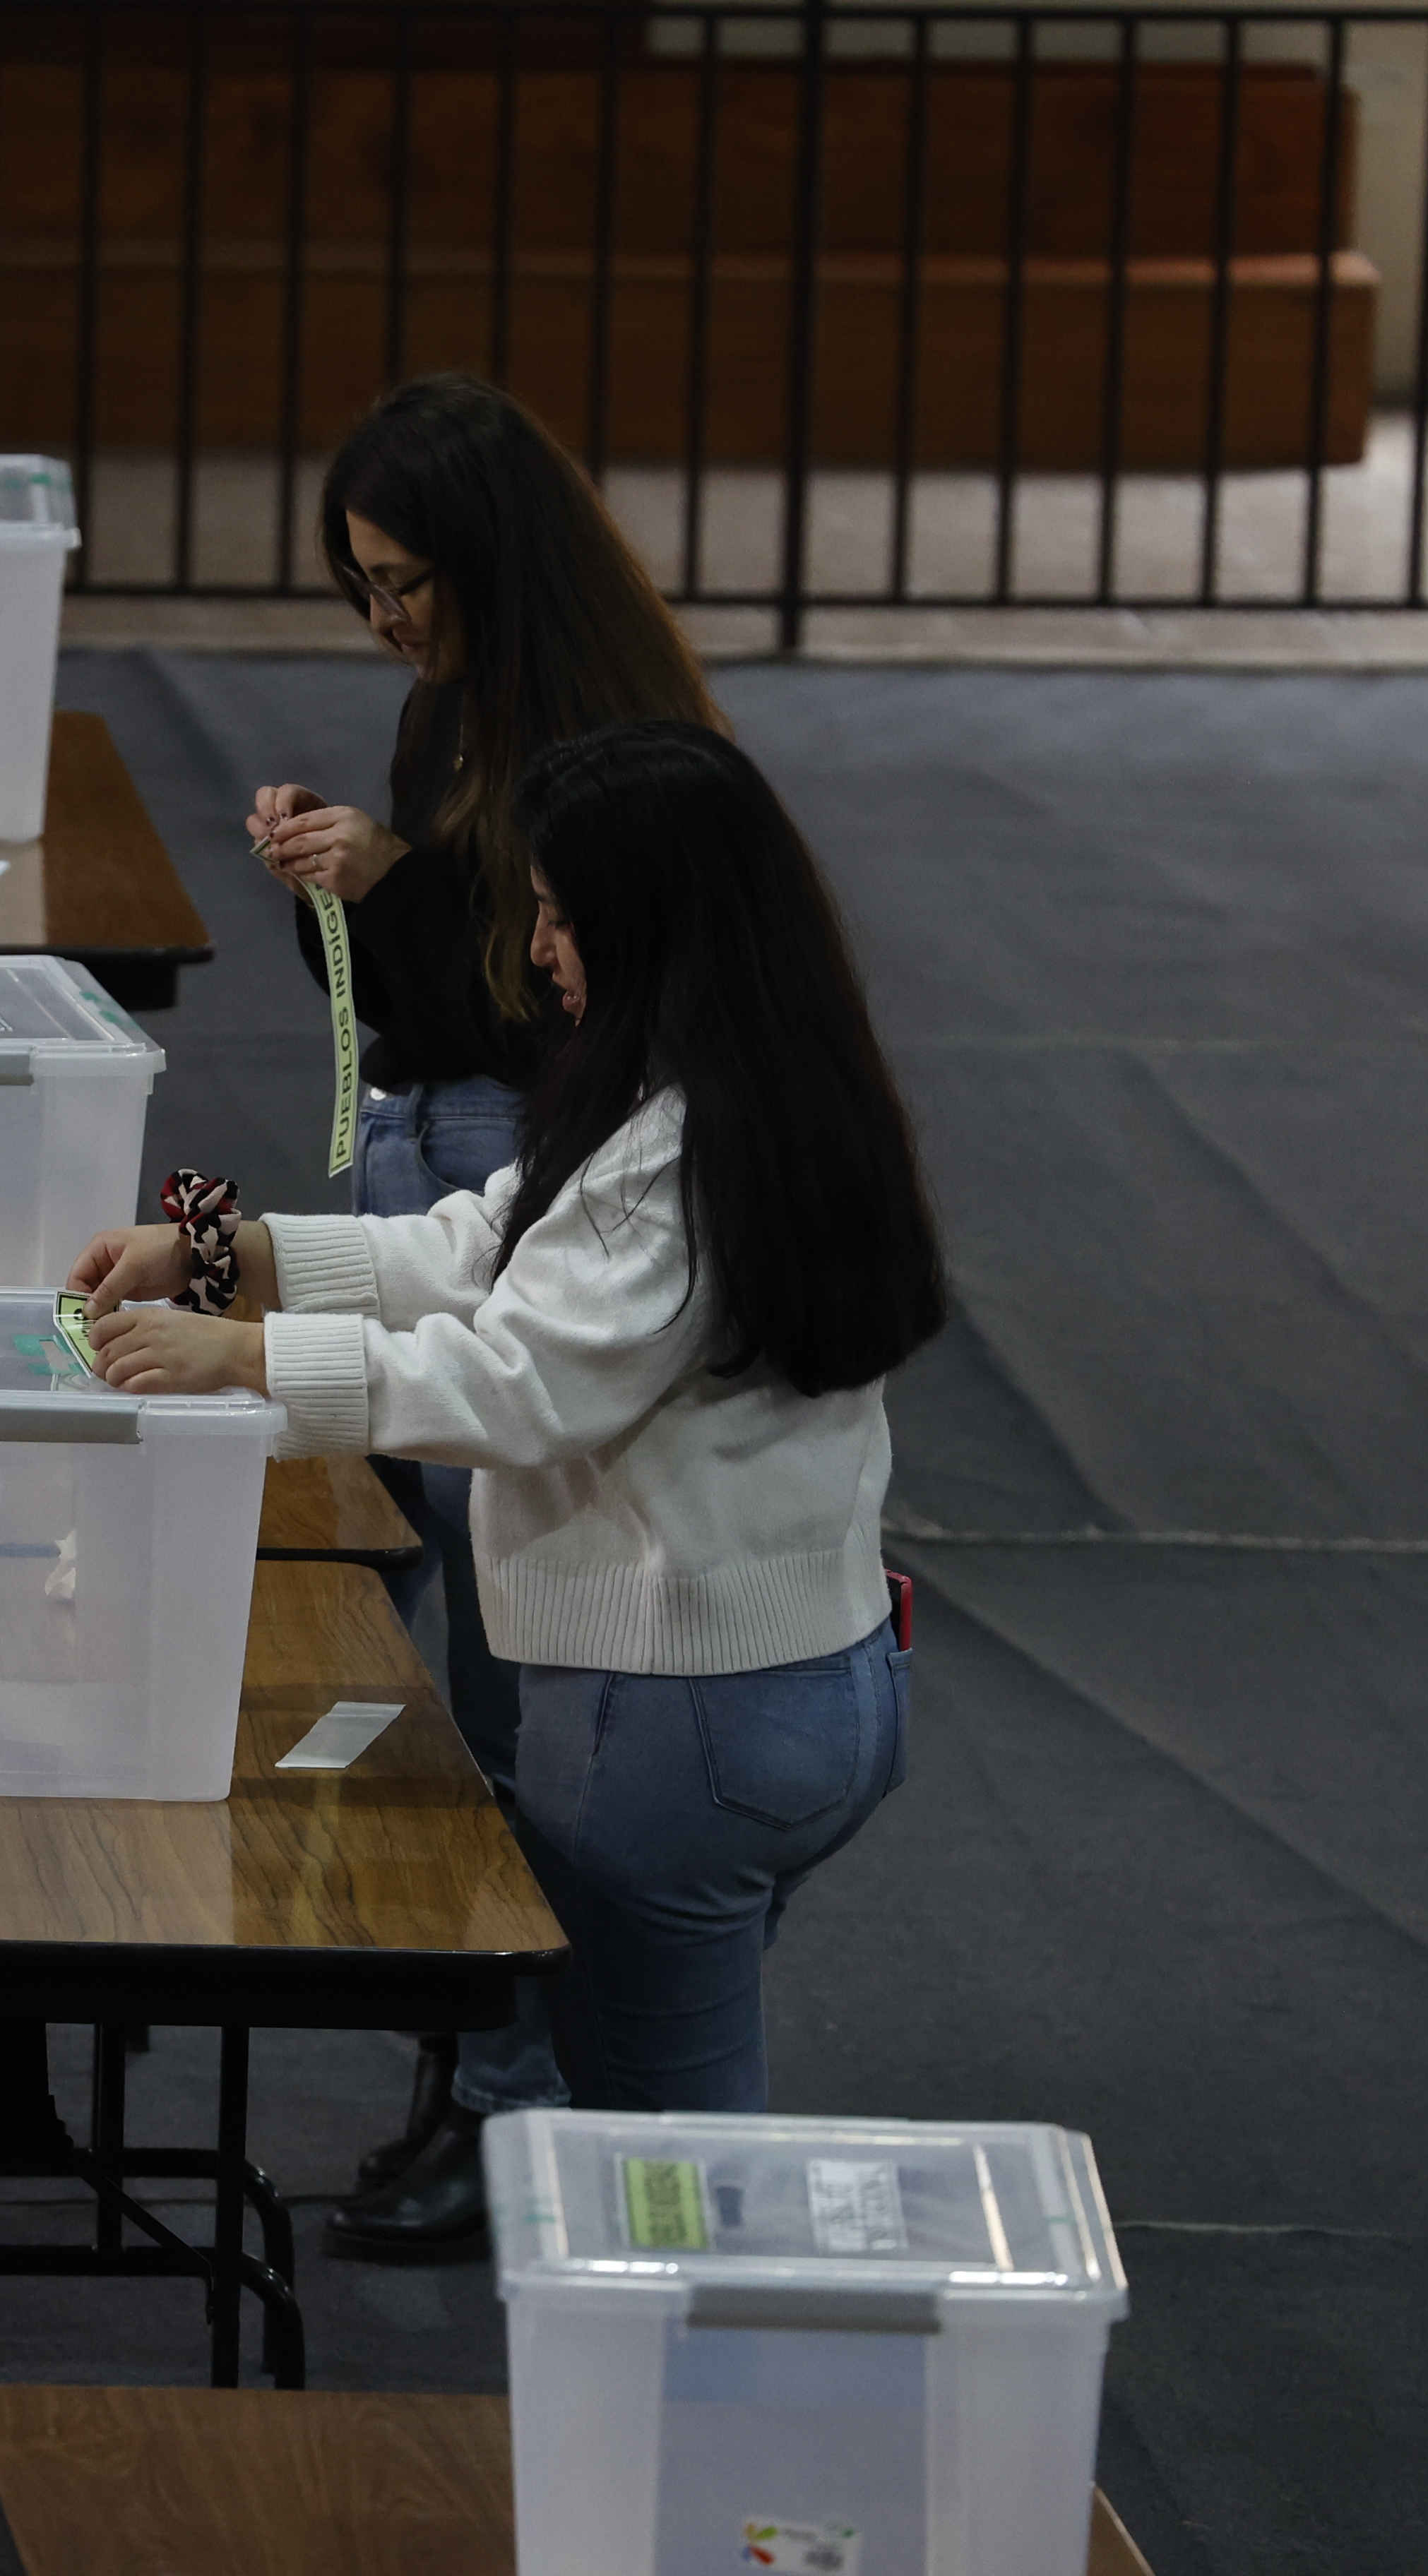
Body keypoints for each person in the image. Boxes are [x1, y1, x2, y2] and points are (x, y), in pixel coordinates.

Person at [74, 720, 945, 2256]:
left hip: (675, 1724)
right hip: (832, 1689)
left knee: (667, 2180)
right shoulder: (777, 1079)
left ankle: (709, 2454)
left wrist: (241, 1363)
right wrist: (239, 1256)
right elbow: (487, 1242)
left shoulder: (674, 1150)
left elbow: (514, 1390)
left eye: (558, 917)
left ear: (650, 924)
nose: (536, 950)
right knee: (681, 2122)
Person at [242, 374, 726, 2245]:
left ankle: (525, 2095)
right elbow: (428, 1001)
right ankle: (502, 2063)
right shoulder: (466, 701)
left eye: (408, 585)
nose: (386, 622)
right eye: (361, 586)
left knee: (518, 1677)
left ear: (495, 567)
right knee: (455, 1635)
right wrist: (359, 887)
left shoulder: (607, 745)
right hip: (440, 1151)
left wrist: (408, 884)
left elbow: (543, 1010)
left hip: (514, 1159)